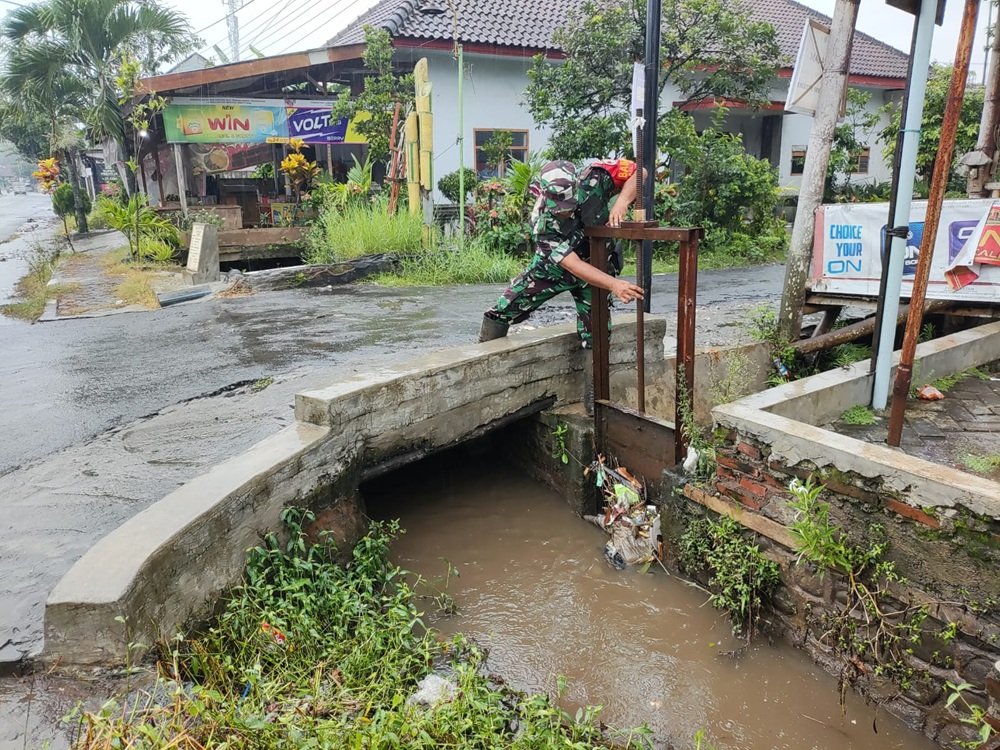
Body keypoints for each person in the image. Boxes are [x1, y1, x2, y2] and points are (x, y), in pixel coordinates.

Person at [478, 158, 645, 412]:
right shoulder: (542, 224)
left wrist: (622, 201)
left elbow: (639, 172)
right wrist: (614, 284)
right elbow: (573, 264)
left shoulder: (596, 176)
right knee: (504, 308)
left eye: (569, 205)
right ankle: (484, 385)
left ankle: (594, 405)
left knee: (598, 332)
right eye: (560, 208)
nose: (565, 211)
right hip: (555, 267)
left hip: (597, 263)